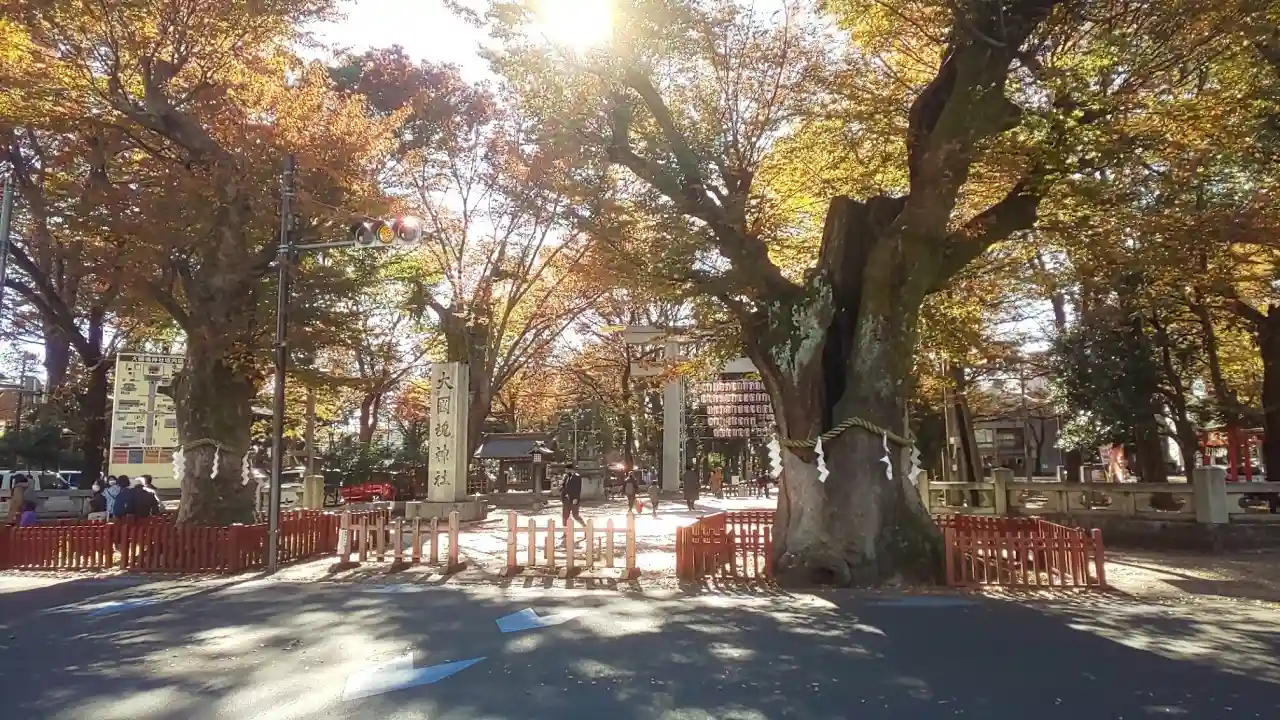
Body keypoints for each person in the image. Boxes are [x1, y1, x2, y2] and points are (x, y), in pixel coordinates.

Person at [559, 463, 586, 529]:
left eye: (566, 469)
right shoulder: (566, 477)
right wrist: (561, 487)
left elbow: (578, 488)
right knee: (565, 516)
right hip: (566, 499)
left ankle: (585, 527)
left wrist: (576, 498)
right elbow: (563, 486)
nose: (565, 471)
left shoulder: (577, 477)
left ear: (570, 469)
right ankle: (565, 531)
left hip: (574, 499)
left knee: (575, 515)